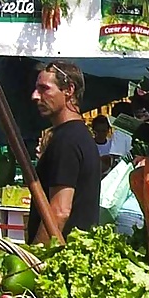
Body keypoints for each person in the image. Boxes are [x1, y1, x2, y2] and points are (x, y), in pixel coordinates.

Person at [25, 62, 100, 244]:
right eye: (36, 89)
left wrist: (35, 259)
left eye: (44, 89)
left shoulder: (67, 140)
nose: (35, 96)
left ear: (68, 90)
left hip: (61, 255)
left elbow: (59, 211)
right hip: (75, 252)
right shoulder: (77, 135)